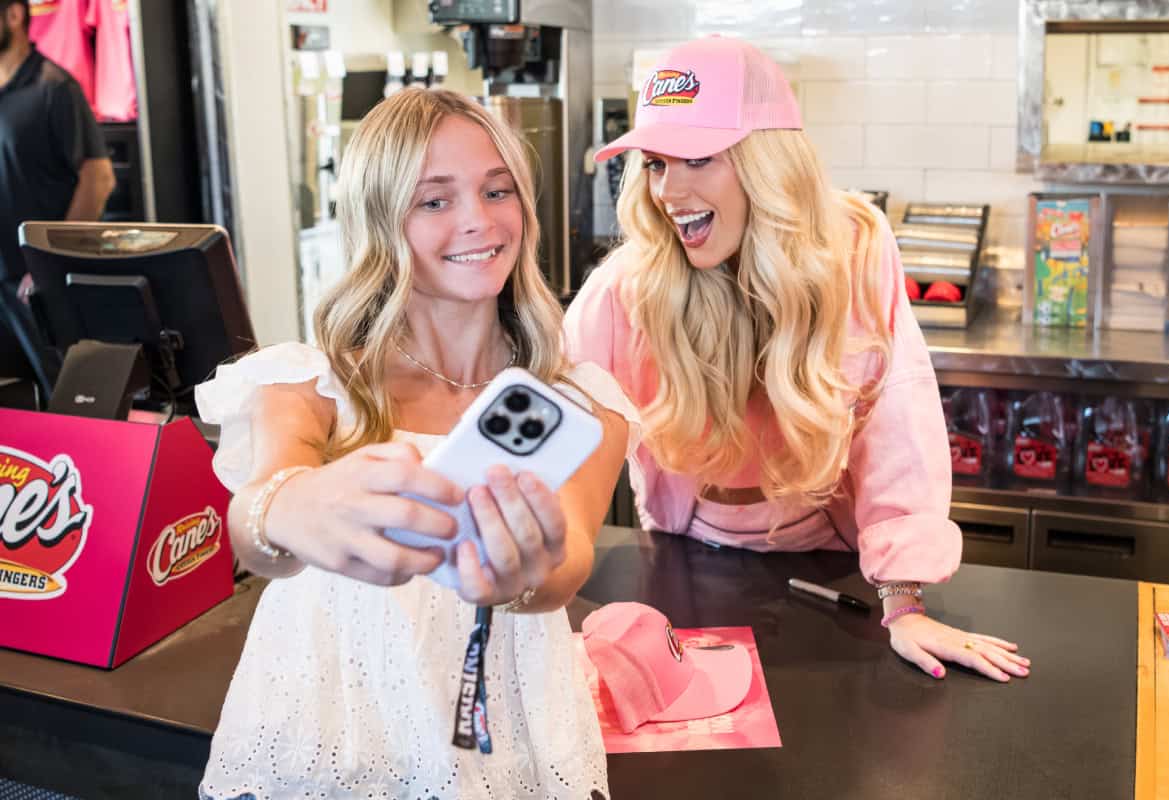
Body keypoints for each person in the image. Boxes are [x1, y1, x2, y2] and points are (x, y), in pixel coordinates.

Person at [196, 87, 635, 799]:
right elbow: (253, 528)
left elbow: (568, 564)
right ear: (381, 219)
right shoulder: (309, 384)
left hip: (507, 743)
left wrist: (522, 576)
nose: (479, 221)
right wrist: (288, 508)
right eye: (435, 200)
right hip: (325, 735)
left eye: (498, 191)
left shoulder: (575, 403)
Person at [566, 35, 1031, 683]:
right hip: (684, 558)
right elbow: (559, 434)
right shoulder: (628, 287)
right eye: (654, 163)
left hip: (833, 564)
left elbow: (896, 421)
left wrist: (904, 601)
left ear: (768, 162)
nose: (669, 191)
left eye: (698, 157)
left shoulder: (853, 252)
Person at [0, 0, 114, 394]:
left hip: (35, 286)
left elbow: (98, 179)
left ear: (13, 16)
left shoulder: (54, 87)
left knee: (64, 398)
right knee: (13, 407)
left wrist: (49, 262)